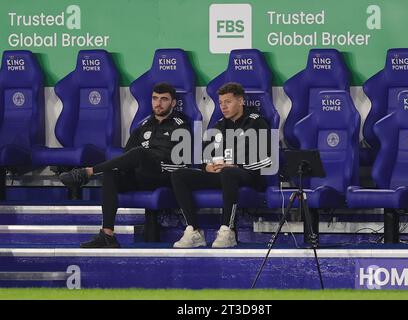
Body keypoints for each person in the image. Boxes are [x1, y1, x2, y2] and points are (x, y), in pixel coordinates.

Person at [59, 82, 190, 248]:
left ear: (172, 103)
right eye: (155, 98)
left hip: (166, 175)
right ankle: (107, 235)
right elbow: (128, 157)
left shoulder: (182, 124)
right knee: (111, 174)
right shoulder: (142, 126)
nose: (158, 103)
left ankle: (88, 172)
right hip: (142, 175)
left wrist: (146, 157)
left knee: (140, 152)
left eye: (164, 99)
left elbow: (182, 164)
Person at [171, 82, 272, 248]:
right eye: (221, 103)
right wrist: (207, 167)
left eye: (228, 102)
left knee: (228, 173)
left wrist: (237, 166)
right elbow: (205, 157)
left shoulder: (256, 122)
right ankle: (194, 230)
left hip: (250, 175)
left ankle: (228, 230)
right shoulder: (219, 125)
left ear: (241, 101)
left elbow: (267, 160)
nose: (223, 106)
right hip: (223, 174)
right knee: (178, 175)